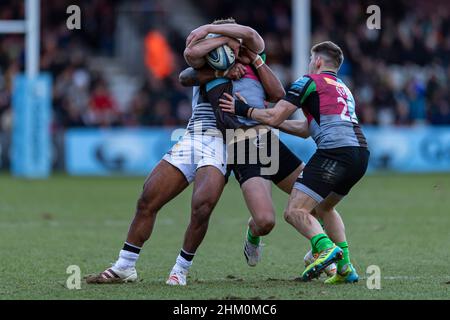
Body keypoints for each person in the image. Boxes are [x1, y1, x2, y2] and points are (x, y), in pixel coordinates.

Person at [84, 34, 247, 285]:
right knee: (148, 197)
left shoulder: (252, 64)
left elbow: (273, 86)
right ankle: (125, 266)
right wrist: (220, 73)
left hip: (221, 142)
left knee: (202, 206)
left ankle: (180, 268)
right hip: (193, 136)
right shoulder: (207, 65)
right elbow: (184, 77)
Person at [219, 41, 370, 283]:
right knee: (324, 208)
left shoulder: (308, 81)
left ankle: (326, 249)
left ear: (318, 61)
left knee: (295, 211)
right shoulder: (342, 88)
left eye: (311, 58)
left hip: (334, 153)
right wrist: (267, 120)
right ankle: (345, 268)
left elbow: (276, 113)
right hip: (360, 154)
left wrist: (244, 109)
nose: (310, 63)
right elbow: (304, 129)